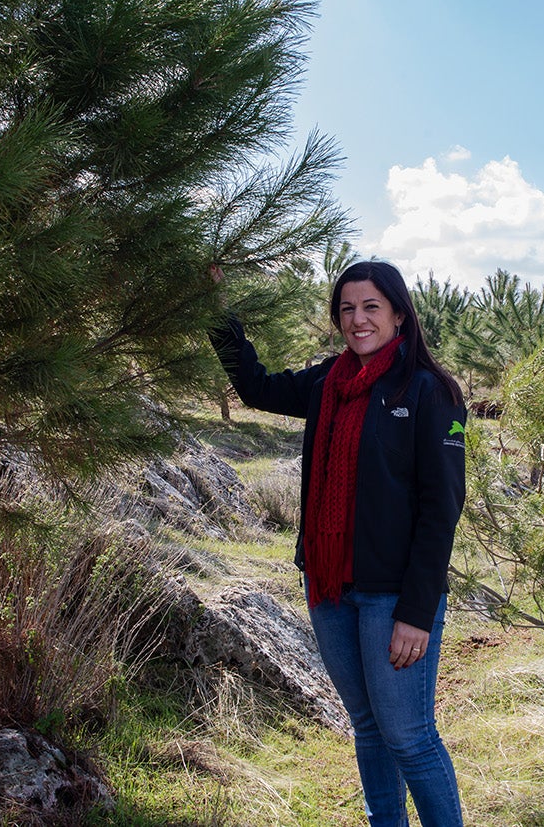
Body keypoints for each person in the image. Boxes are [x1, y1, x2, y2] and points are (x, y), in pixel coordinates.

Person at [210, 260, 467, 826]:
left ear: (399, 313)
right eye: (347, 308)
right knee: (369, 725)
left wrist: (417, 613)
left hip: (393, 597)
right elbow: (255, 388)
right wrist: (215, 310)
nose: (358, 319)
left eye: (371, 306)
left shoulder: (431, 392)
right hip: (328, 587)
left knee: (409, 735)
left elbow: (442, 509)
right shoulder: (329, 381)